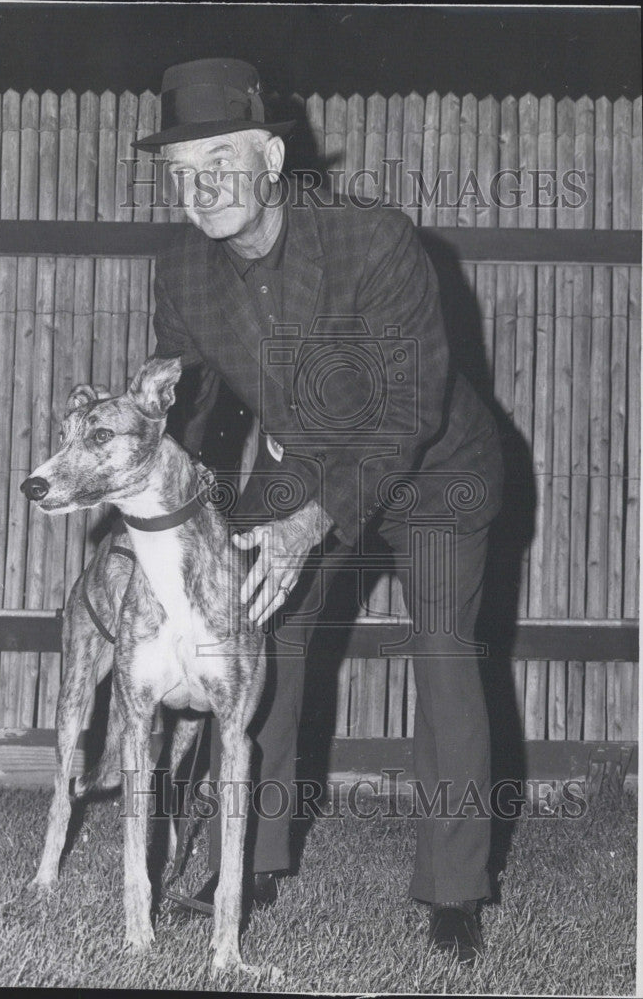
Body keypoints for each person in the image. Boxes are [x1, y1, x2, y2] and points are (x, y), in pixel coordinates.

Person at [132, 58, 504, 963]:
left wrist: (309, 523)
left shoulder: (371, 238)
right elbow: (190, 404)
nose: (201, 188)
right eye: (180, 172)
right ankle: (246, 864)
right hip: (302, 464)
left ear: (269, 155)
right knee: (267, 636)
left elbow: (407, 408)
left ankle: (454, 892)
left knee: (445, 654)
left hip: (432, 466)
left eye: (219, 158)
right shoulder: (182, 265)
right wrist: (148, 472)